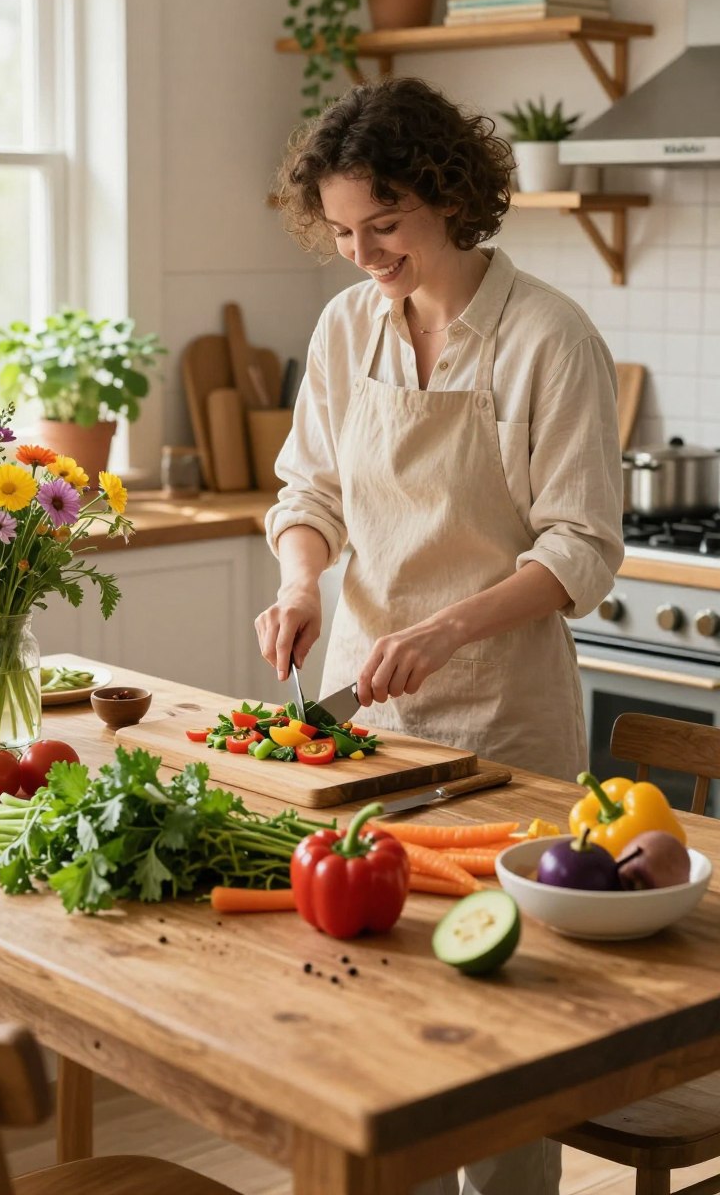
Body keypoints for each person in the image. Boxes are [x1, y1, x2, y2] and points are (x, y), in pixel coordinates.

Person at [255, 76, 624, 1195]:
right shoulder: (345, 327)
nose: (362, 253)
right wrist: (303, 583)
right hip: (365, 717)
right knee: (370, 1011)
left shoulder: (549, 339)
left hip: (503, 720)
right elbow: (306, 491)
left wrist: (450, 627)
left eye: (386, 225)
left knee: (501, 1028)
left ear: (451, 198)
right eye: (343, 230)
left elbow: (580, 549)